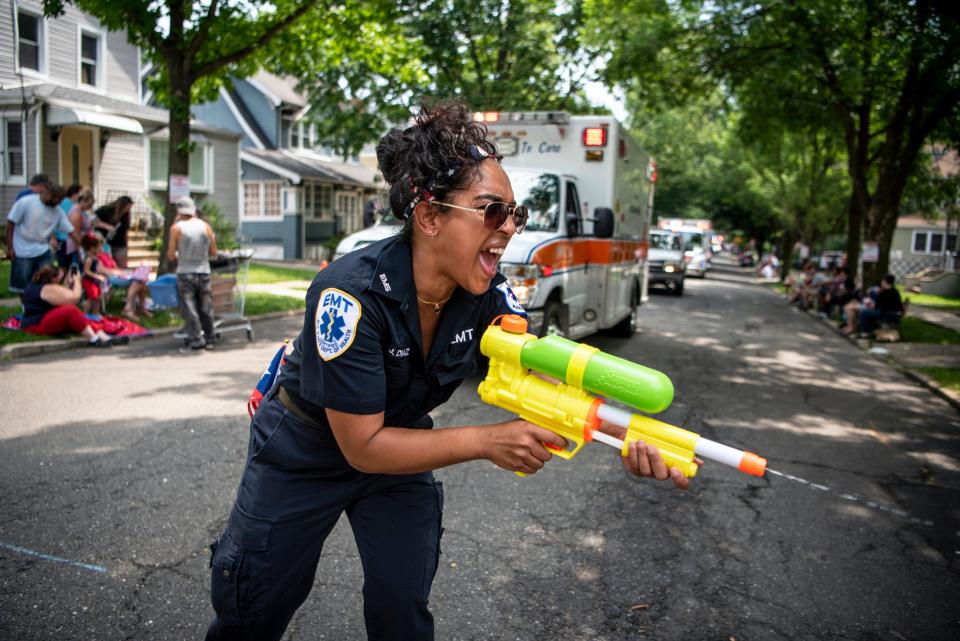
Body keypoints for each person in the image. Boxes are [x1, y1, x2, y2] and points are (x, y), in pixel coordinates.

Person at [204, 101, 696, 641]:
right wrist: (488, 440)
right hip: (305, 450)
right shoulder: (348, 294)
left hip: (400, 447)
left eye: (516, 213)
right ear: (430, 215)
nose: (508, 228)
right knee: (255, 609)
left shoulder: (488, 291)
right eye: (491, 210)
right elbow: (363, 446)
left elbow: (539, 388)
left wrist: (626, 434)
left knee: (401, 605)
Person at [19, 264, 121, 347]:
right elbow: (74, 298)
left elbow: (61, 297)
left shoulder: (38, 286)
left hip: (41, 319)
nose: (62, 280)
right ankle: (93, 339)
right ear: (54, 279)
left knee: (80, 316)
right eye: (60, 278)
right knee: (71, 311)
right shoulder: (47, 289)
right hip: (37, 325)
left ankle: (105, 338)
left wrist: (68, 284)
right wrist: (77, 281)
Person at [5, 184, 78, 294]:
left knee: (48, 279)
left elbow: (71, 231)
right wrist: (10, 247)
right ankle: (26, 307)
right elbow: (10, 223)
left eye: (60, 200)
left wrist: (85, 246)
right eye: (57, 199)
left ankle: (42, 304)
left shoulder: (57, 211)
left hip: (43, 249)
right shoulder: (26, 202)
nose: (59, 203)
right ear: (48, 194)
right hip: (22, 250)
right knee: (23, 285)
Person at [167, 196, 217, 350]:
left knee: (190, 308)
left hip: (185, 272)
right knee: (205, 306)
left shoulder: (176, 228)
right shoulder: (206, 227)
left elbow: (170, 254)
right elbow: (213, 252)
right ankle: (210, 338)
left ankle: (196, 339)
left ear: (179, 211)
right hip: (204, 271)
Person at [64, 189, 100, 267]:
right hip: (77, 247)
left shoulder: (81, 211)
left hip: (83, 246)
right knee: (76, 270)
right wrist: (85, 250)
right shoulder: (76, 213)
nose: (90, 207)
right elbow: (75, 234)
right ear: (83, 201)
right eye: (89, 204)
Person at [95, 196, 134, 268]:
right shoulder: (105, 210)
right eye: (127, 208)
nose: (128, 210)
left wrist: (126, 246)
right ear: (122, 205)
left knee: (122, 266)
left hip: (119, 244)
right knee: (108, 265)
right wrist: (106, 226)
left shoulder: (125, 217)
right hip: (105, 243)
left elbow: (125, 232)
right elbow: (94, 221)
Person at [80, 234, 109, 314]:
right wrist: (97, 276)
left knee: (98, 298)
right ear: (92, 248)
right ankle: (85, 315)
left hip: (94, 281)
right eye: (99, 247)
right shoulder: (89, 258)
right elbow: (86, 271)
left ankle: (96, 314)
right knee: (91, 298)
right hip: (89, 281)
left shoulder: (94, 257)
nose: (101, 249)